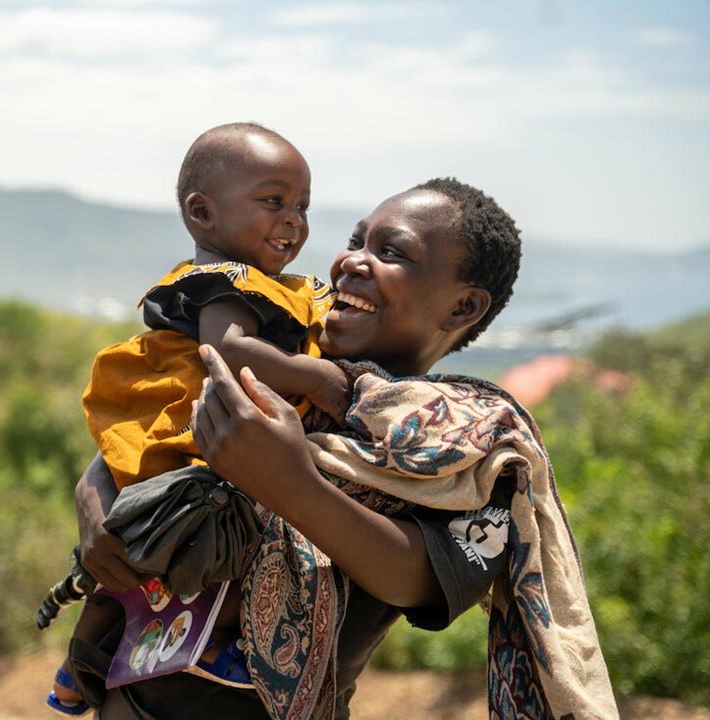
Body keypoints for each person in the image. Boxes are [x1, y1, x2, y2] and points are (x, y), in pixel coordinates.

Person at [73, 179, 619, 719]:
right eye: (356, 241)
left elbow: (419, 578)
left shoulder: (469, 444)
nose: (353, 261)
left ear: (463, 306)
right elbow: (145, 430)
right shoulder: (278, 351)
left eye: (391, 252)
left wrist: (290, 482)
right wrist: (93, 501)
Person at [46, 122, 346, 716]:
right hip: (195, 433)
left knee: (130, 555)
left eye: (302, 205)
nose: (294, 219)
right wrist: (317, 378)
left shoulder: (249, 280)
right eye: (273, 201)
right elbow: (227, 353)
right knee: (187, 538)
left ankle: (76, 670)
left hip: (184, 431)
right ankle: (199, 649)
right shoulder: (226, 284)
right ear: (202, 213)